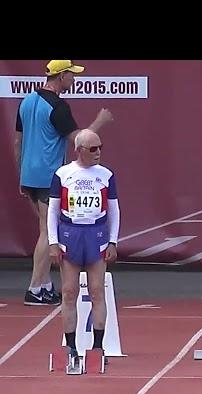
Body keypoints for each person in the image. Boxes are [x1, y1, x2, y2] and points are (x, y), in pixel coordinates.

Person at [15, 59, 113, 306]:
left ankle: (45, 284)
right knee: (48, 233)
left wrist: (21, 174)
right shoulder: (58, 107)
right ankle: (35, 288)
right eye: (72, 75)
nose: (74, 79)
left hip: (29, 174)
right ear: (61, 77)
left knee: (46, 229)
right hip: (49, 175)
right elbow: (80, 142)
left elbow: (18, 142)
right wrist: (100, 121)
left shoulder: (26, 101)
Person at [48, 129, 120, 363]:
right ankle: (70, 348)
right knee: (69, 292)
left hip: (96, 234)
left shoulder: (106, 175)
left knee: (97, 290)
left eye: (100, 147)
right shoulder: (63, 174)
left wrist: (112, 241)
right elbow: (53, 210)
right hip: (70, 234)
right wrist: (52, 242)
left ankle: (98, 349)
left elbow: (114, 210)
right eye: (92, 149)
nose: (98, 152)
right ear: (78, 150)